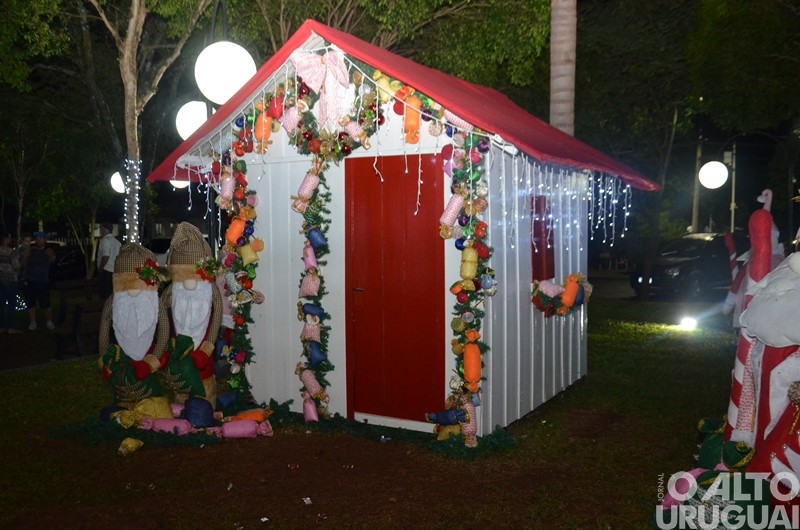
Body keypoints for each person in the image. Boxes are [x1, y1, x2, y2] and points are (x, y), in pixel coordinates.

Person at [20, 231, 55, 330]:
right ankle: (33, 322)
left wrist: (50, 256)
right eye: (37, 238)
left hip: (42, 281)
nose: (39, 240)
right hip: (30, 280)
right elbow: (22, 264)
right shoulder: (31, 251)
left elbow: (52, 260)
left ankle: (49, 321)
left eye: (41, 238)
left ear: (45, 240)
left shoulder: (48, 251)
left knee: (45, 303)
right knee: (31, 303)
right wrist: (24, 256)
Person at [0, 233, 21, 334]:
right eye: (9, 237)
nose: (10, 239)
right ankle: (11, 327)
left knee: (1, 303)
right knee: (11, 304)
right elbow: (16, 266)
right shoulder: (11, 252)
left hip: (0, 279)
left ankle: (2, 326)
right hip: (10, 279)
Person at [97, 223, 121, 299]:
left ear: (105, 230)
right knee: (113, 295)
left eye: (101, 229)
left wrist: (100, 268)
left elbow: (105, 256)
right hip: (115, 271)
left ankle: (106, 310)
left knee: (105, 295)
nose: (100, 231)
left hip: (106, 271)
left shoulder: (105, 240)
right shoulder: (117, 242)